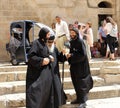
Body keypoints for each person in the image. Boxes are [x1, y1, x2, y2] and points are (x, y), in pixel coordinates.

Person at [26, 27, 54, 108]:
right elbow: (31, 57)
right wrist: (42, 61)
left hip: (43, 74)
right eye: (48, 34)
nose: (49, 36)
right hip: (36, 74)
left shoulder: (43, 43)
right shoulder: (36, 43)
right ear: (43, 35)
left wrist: (49, 57)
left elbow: (43, 54)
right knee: (36, 93)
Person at [66, 28, 93, 108]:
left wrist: (72, 55)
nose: (72, 34)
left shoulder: (80, 42)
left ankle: (83, 101)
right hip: (74, 66)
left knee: (82, 84)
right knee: (76, 82)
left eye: (73, 33)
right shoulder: (71, 42)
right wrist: (68, 55)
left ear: (77, 33)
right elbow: (71, 52)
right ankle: (78, 98)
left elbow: (83, 55)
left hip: (81, 67)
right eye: (71, 33)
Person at [47, 35, 67, 107]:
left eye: (51, 42)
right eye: (49, 42)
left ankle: (57, 103)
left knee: (56, 87)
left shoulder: (55, 49)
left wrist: (63, 53)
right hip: (47, 73)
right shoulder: (44, 49)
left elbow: (61, 59)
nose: (50, 43)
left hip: (55, 72)